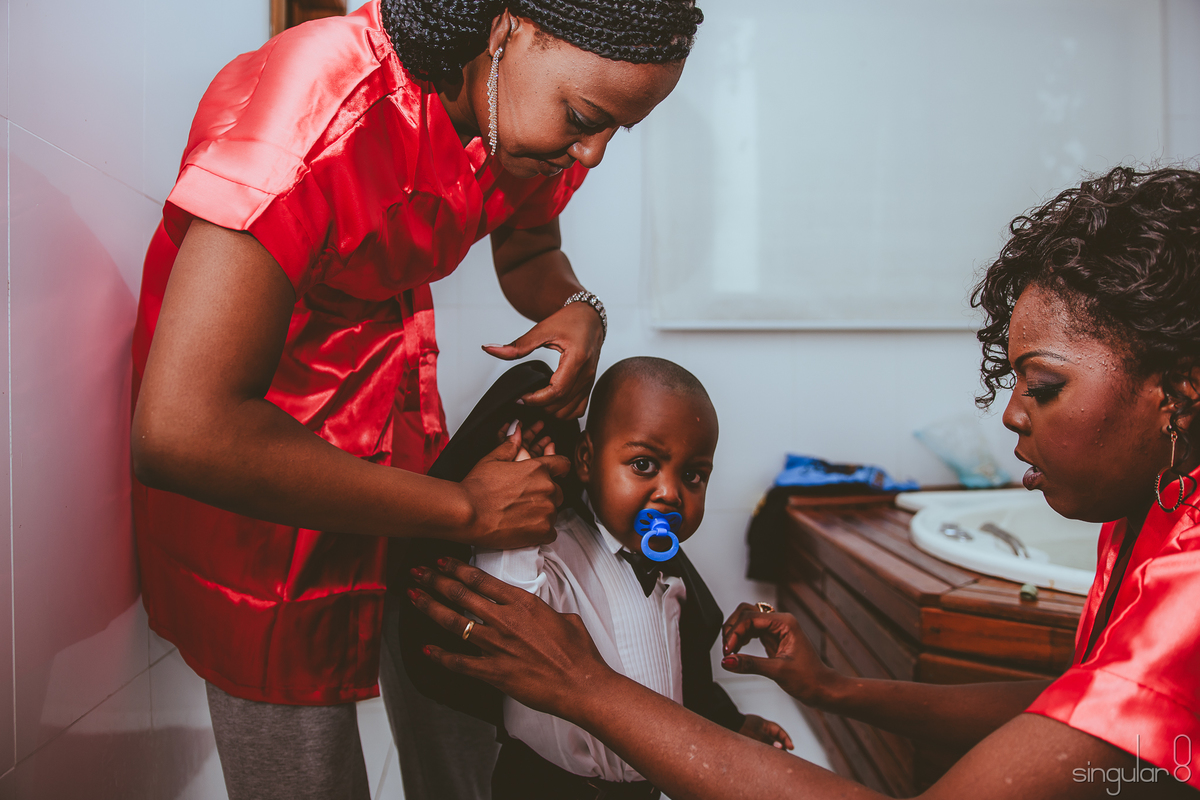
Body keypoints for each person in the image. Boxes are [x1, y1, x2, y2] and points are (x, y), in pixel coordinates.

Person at [409, 166, 1200, 799]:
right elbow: (1076, 705)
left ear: (1180, 386)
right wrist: (833, 689)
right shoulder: (1154, 505)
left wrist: (584, 685)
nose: (1012, 417)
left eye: (1046, 385)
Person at [129, 0, 702, 798]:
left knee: (457, 718)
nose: (593, 155)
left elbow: (530, 244)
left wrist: (577, 306)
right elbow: (181, 433)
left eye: (616, 131)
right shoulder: (315, 112)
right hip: (261, 491)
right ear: (506, 31)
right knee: (307, 770)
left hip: (392, 449)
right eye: (583, 117)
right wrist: (463, 510)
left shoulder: (519, 118)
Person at [462, 357, 791, 798]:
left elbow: (682, 681)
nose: (671, 493)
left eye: (693, 475)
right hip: (547, 787)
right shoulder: (550, 551)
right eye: (643, 465)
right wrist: (525, 486)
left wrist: (733, 725)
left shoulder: (673, 579)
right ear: (586, 460)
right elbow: (509, 604)